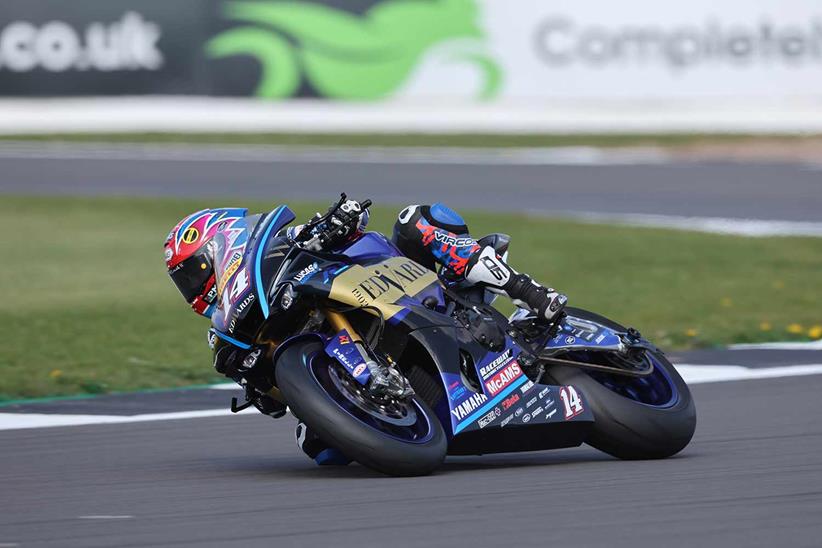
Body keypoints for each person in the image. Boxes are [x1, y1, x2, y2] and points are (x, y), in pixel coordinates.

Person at [164, 199, 567, 463]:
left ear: (222, 245)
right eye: (185, 283)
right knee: (318, 450)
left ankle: (528, 292)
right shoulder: (224, 333)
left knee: (416, 220)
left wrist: (340, 217)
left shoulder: (282, 245)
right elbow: (269, 395)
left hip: (404, 284)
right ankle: (401, 414)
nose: (195, 287)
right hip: (346, 357)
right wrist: (260, 385)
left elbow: (351, 221)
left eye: (195, 270)